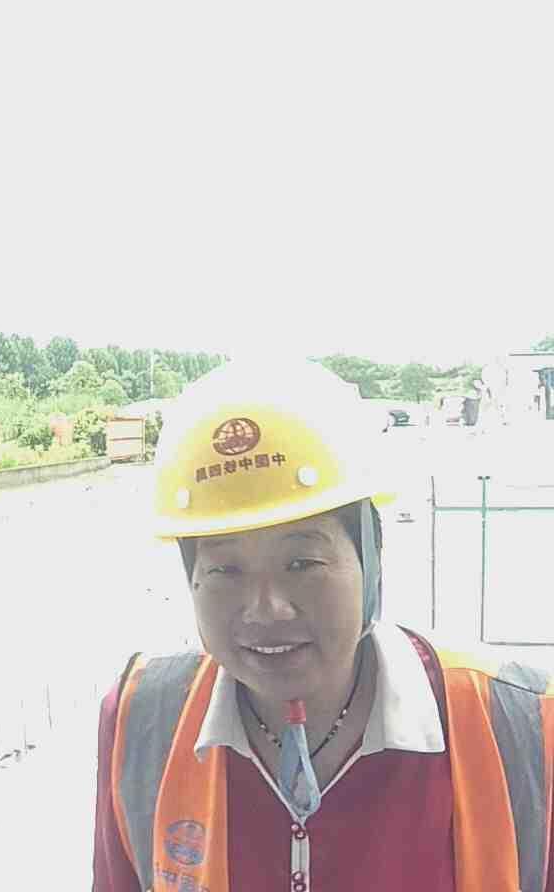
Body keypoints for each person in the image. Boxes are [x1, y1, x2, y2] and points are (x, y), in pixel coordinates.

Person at [92, 360, 554, 892]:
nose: (266, 609)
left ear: (370, 560)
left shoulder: (518, 726)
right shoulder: (142, 722)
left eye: (302, 563)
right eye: (225, 570)